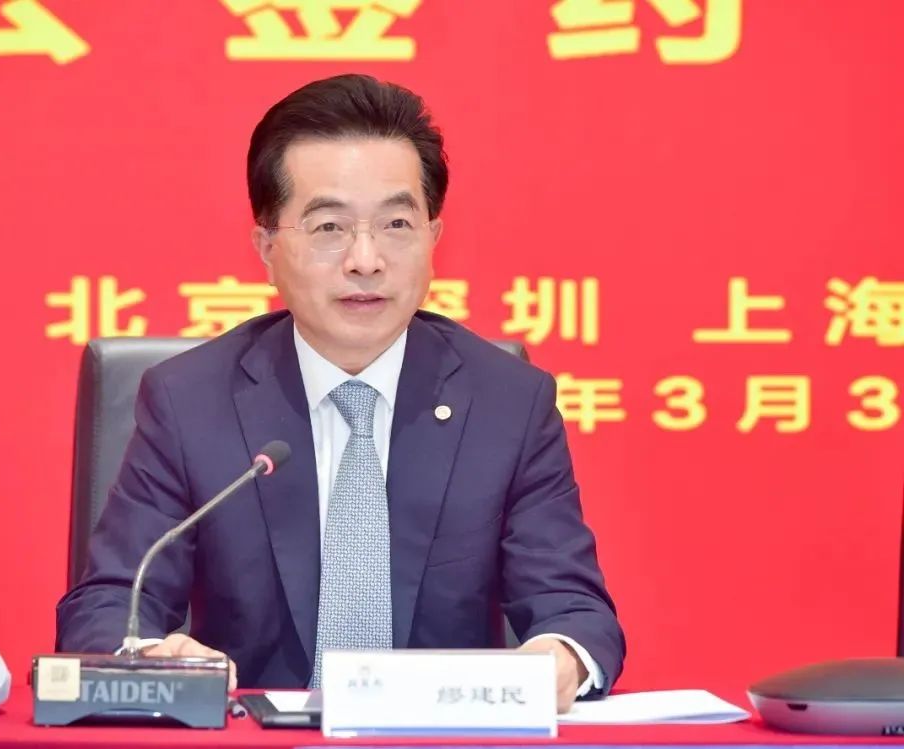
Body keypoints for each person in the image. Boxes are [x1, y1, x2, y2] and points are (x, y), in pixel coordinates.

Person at [56, 74, 624, 711]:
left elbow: (574, 609)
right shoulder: (190, 401)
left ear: (434, 240)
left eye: (397, 223)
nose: (365, 259)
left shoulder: (508, 403)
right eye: (329, 227)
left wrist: (559, 656)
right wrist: (148, 656)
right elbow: (110, 601)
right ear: (267, 247)